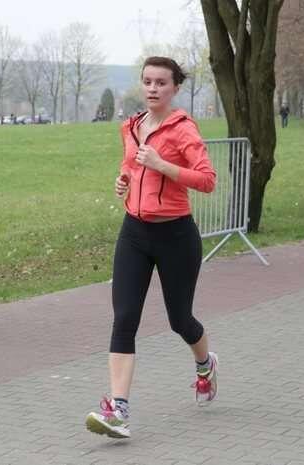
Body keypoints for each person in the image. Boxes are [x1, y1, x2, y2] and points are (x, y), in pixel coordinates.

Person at [85, 56, 218, 439]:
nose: (153, 88)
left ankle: (205, 364)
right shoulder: (131, 127)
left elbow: (207, 180)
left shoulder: (184, 130)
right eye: (147, 81)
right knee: (125, 317)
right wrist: (123, 181)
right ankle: (119, 411)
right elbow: (129, 166)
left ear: (175, 88)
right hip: (134, 233)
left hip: (176, 236)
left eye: (161, 82)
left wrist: (162, 165)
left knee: (180, 320)